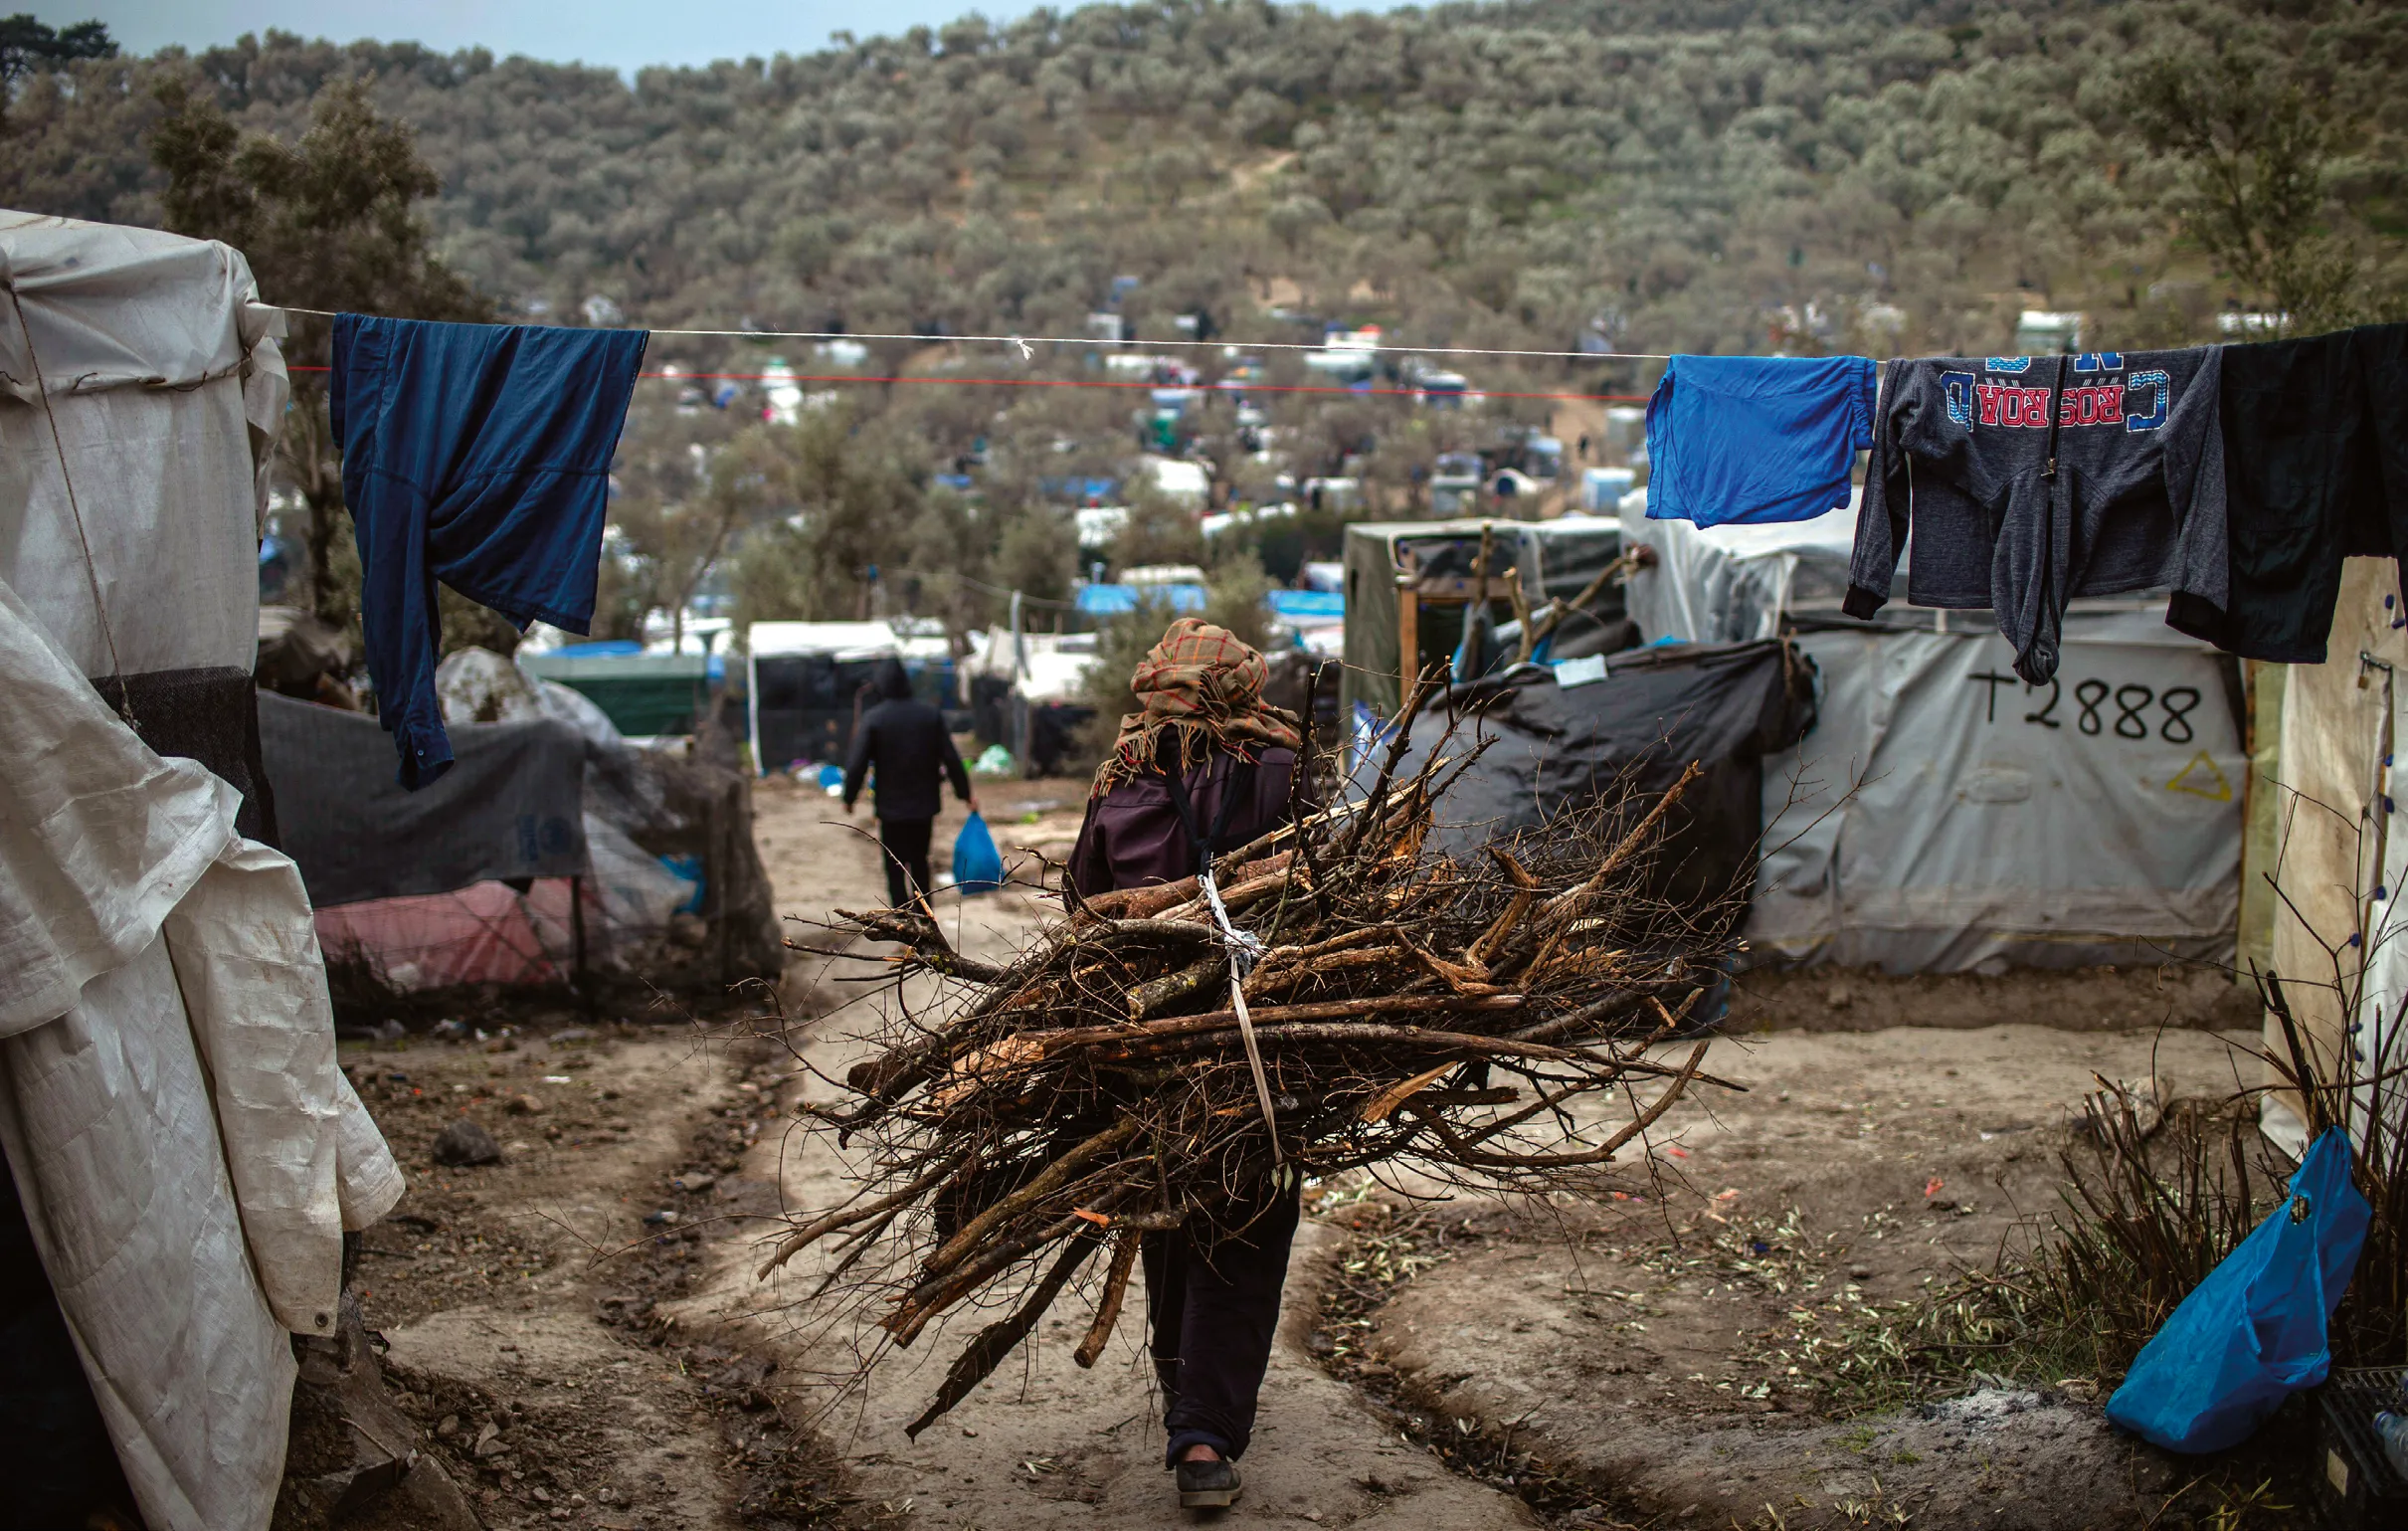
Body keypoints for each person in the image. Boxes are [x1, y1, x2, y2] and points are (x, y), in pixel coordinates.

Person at [1066, 618, 1313, 1512]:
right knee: (1246, 1216)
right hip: (1267, 1040)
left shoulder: (1120, 783)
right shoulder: (1285, 769)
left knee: (1169, 1206)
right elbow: (1334, 890)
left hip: (1146, 1045)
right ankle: (1203, 1433)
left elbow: (1083, 912)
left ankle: (1188, 1402)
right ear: (1241, 689)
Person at [842, 658, 975, 908]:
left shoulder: (875, 718)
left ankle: (902, 920)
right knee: (920, 861)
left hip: (890, 808)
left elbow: (857, 762)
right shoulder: (929, 715)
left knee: (894, 865)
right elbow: (951, 758)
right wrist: (965, 793)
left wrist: (849, 798)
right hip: (924, 805)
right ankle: (925, 917)